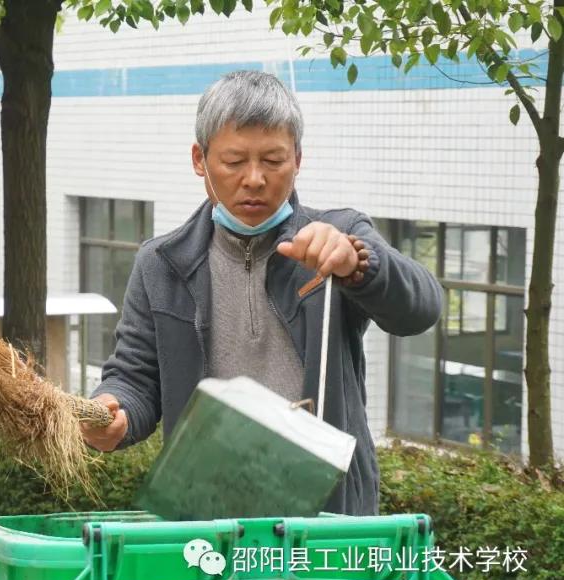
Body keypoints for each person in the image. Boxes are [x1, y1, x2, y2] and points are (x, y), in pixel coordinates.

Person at [81, 71, 443, 516]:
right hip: (206, 517)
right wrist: (111, 413)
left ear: (298, 159)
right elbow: (136, 378)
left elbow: (422, 308)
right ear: (200, 159)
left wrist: (359, 263)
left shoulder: (339, 238)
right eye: (234, 162)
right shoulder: (161, 264)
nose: (254, 179)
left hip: (326, 513)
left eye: (273, 161)